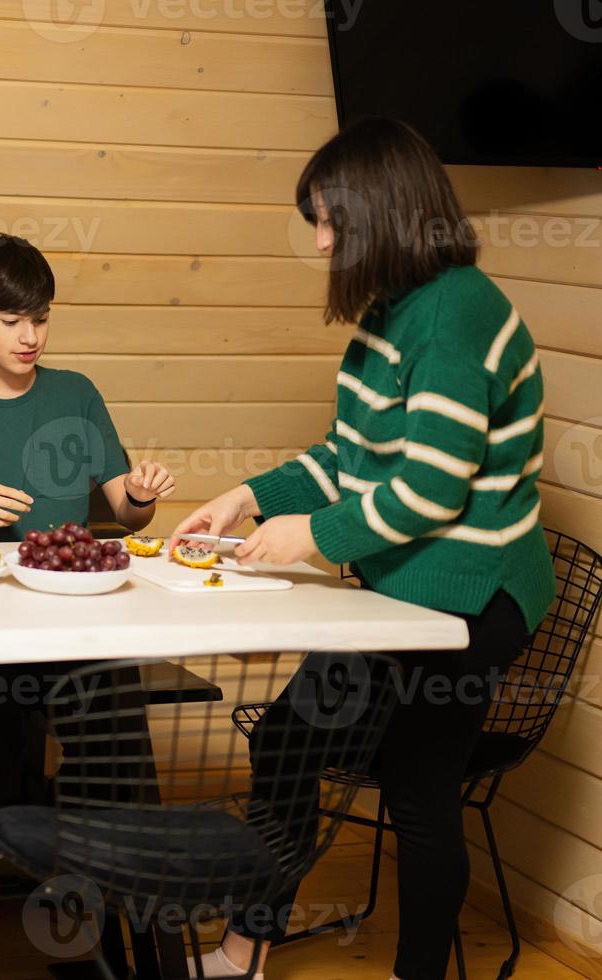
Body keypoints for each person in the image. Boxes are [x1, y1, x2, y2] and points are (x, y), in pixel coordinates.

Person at [173, 117, 555, 980]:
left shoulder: (457, 315)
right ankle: (246, 950)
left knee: (420, 794)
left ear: (382, 210)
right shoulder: (392, 315)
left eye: (329, 220)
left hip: (472, 598)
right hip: (403, 590)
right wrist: (244, 499)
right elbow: (349, 457)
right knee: (285, 741)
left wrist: (310, 534)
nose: (321, 240)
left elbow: (431, 490)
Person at [0, 233, 175, 816]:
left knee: (116, 742)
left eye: (40, 320)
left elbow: (126, 513)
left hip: (77, 614)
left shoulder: (77, 393)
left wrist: (141, 496)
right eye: (12, 319)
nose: (30, 337)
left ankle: (112, 872)